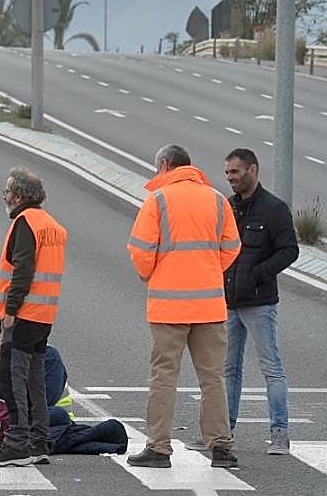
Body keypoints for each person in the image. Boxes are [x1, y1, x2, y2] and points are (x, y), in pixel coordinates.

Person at [126, 144, 241, 469]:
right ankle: (221, 446)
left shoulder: (158, 200)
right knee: (213, 378)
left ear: (164, 165)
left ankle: (159, 448)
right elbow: (232, 247)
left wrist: (155, 274)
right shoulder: (217, 199)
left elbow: (140, 250)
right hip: (209, 306)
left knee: (164, 377)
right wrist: (206, 270)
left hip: (168, 306)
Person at [0, 168, 68, 468]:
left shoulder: (25, 223)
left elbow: (22, 272)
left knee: (12, 378)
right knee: (35, 381)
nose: (4, 195)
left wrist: (10, 314)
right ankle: (38, 443)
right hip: (44, 315)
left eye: (7, 191)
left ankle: (16, 443)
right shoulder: (51, 224)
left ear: (18, 195)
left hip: (23, 313)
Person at [223, 147, 298, 455]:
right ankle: (222, 431)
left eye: (235, 172)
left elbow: (289, 250)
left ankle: (279, 432)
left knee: (271, 367)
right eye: (227, 172)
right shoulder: (228, 207)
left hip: (259, 302)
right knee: (228, 368)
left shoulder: (274, 209)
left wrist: (256, 274)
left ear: (252, 171)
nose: (230, 178)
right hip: (228, 302)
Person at [0, 345, 72, 442]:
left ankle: (1, 431)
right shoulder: (6, 355)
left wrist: (17, 400)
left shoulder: (50, 356)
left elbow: (49, 399)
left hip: (49, 414)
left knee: (59, 413)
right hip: (21, 412)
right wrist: (3, 364)